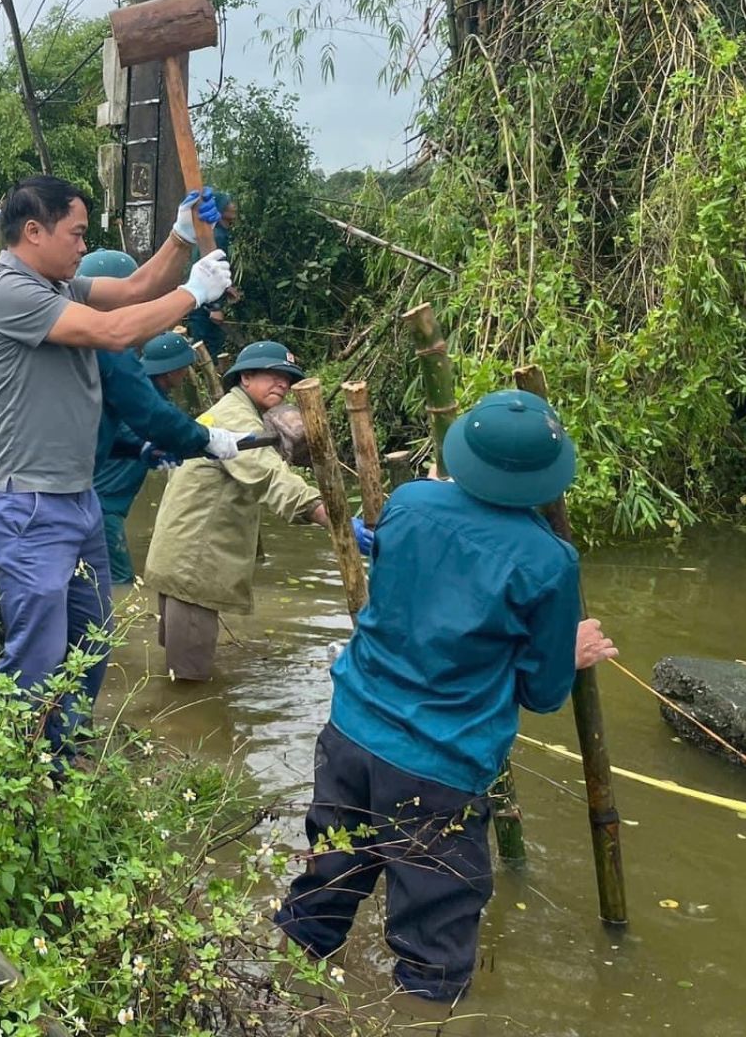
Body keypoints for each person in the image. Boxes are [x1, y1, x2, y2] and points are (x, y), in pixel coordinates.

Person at [272, 390, 618, 1004]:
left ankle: (275, 997)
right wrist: (570, 651)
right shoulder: (549, 561)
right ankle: (420, 1016)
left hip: (351, 731)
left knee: (327, 881)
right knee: (434, 938)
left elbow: (419, 591)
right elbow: (541, 692)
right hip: (436, 768)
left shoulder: (407, 504)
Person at [0, 176, 246, 750]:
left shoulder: (59, 287)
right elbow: (115, 330)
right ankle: (6, 777)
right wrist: (195, 292)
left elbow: (140, 287)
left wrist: (179, 235)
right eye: (74, 233)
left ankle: (62, 761)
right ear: (32, 231)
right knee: (38, 656)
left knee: (90, 643)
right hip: (26, 505)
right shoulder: (9, 292)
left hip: (77, 501)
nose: (81, 244)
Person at [142, 340, 357, 682]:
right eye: (272, 375)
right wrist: (339, 523)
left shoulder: (233, 410)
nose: (283, 384)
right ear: (245, 378)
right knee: (188, 682)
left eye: (287, 379)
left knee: (178, 666)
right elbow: (270, 478)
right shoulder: (236, 419)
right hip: (194, 565)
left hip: (183, 557)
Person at [75, 253, 220, 587]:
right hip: (97, 509)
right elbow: (154, 419)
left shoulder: (83, 355)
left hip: (75, 503)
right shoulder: (115, 365)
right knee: (119, 585)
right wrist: (208, 439)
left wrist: (138, 449)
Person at [184, 191, 238, 357]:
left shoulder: (219, 232)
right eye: (230, 203)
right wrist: (215, 307)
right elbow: (208, 268)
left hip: (202, 300)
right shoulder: (217, 236)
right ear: (221, 209)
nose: (234, 207)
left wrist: (227, 287)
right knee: (205, 346)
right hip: (203, 304)